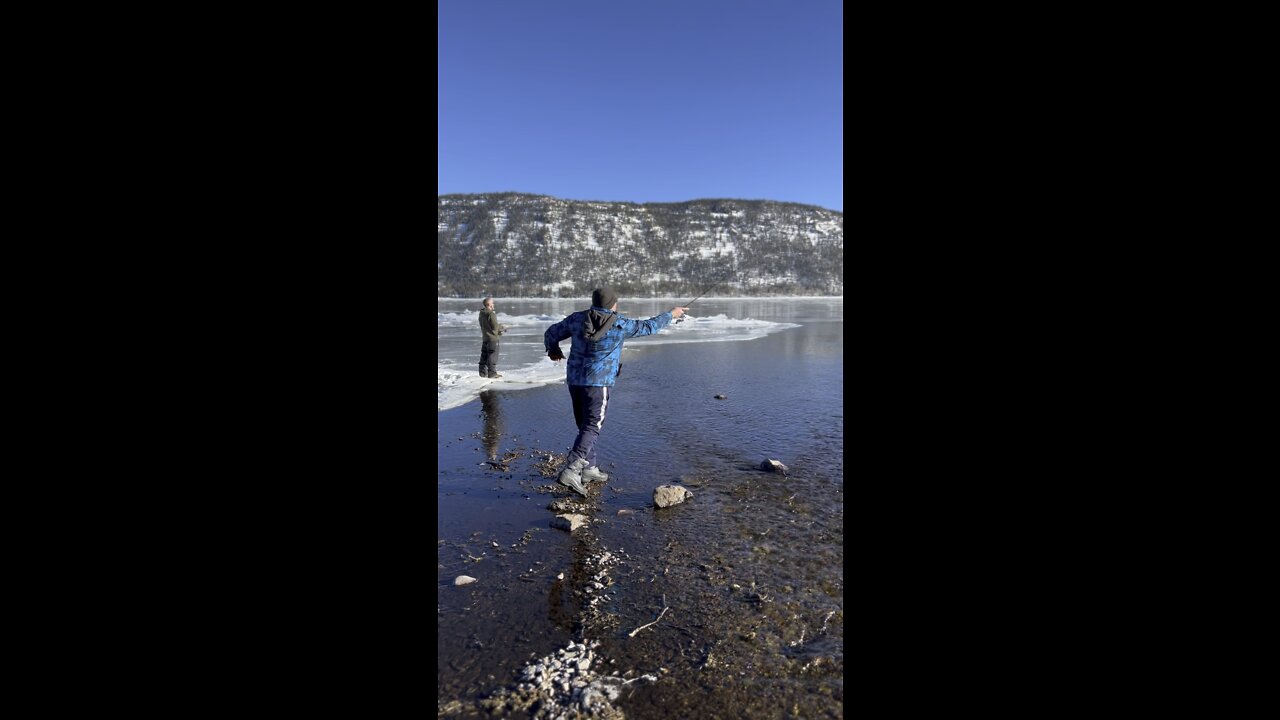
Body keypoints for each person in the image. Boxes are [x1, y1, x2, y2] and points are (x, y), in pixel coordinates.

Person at [543, 286, 687, 496]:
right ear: (612, 304)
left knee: (584, 425)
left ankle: (589, 469)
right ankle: (572, 469)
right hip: (598, 383)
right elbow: (649, 326)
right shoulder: (620, 324)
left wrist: (553, 349)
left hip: (575, 380)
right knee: (592, 425)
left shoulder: (577, 319)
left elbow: (551, 333)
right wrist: (671, 314)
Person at [478, 297, 507, 378]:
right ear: (489, 304)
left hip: (485, 338)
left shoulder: (481, 314)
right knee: (492, 355)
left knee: (484, 355)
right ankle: (492, 373)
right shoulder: (491, 314)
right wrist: (502, 328)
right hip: (492, 339)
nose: (493, 304)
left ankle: (482, 373)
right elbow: (494, 327)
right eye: (492, 303)